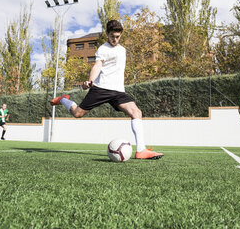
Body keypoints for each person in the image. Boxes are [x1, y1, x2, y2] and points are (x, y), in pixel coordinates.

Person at [50, 20, 163, 160]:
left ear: (120, 35)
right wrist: (90, 81)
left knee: (136, 112)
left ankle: (141, 150)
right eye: (112, 36)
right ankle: (64, 100)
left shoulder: (122, 50)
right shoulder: (103, 49)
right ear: (107, 34)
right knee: (77, 113)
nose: (114, 40)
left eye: (117, 37)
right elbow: (97, 65)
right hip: (101, 88)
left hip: (118, 91)